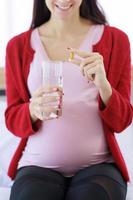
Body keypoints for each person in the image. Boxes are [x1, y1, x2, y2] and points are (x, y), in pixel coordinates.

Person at [5, 0, 133, 199]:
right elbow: (12, 119)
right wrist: (32, 110)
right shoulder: (18, 46)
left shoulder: (116, 40)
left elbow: (122, 121)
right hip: (37, 166)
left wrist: (104, 86)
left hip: (99, 166)